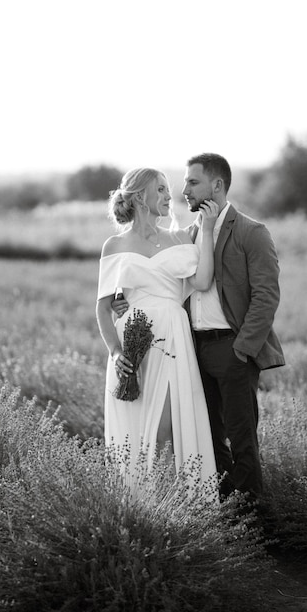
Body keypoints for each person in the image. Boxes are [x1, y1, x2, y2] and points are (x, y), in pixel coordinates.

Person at [113, 154, 285, 503]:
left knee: (242, 440)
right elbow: (164, 284)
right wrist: (127, 304)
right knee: (206, 437)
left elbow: (266, 297)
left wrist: (242, 350)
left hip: (233, 349)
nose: (184, 190)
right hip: (191, 350)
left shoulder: (252, 232)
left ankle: (255, 521)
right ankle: (222, 509)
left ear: (217, 185)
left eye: (193, 182)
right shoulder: (187, 235)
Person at [96, 167, 218, 488]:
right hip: (130, 345)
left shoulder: (179, 238)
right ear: (140, 197)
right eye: (161, 190)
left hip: (171, 339)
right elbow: (103, 306)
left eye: (168, 189)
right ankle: (138, 512)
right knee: (131, 434)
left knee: (166, 432)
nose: (169, 196)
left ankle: (166, 510)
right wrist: (115, 351)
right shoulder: (114, 246)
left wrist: (206, 230)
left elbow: (202, 281)